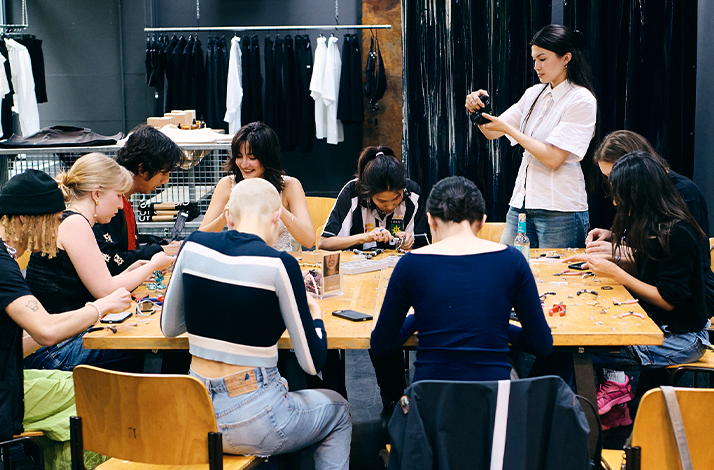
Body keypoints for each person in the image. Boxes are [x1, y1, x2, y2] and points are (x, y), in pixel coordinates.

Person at [162, 178, 351, 468]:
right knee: (339, 411)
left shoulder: (192, 247)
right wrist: (314, 313)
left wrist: (216, 308)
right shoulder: (279, 264)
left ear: (228, 216)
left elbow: (169, 327)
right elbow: (313, 363)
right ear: (278, 217)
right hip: (256, 419)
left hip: (197, 416)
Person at [564, 152, 711, 428]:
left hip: (684, 338)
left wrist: (616, 272)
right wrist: (602, 260)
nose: (617, 202)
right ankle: (611, 407)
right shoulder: (648, 224)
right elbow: (645, 269)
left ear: (639, 193)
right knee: (587, 344)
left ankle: (579, 424)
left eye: (620, 194)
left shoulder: (677, 232)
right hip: (657, 326)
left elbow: (668, 299)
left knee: (581, 352)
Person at [0, 169, 131, 467]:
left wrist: (77, 322)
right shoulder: (3, 267)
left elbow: (16, 343)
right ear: (24, 219)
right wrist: (100, 308)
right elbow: (46, 331)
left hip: (11, 376)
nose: (59, 229)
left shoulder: (5, 260)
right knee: (90, 393)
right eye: (55, 221)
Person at [371, 176, 553, 383]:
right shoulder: (512, 260)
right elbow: (541, 344)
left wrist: (419, 318)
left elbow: (381, 346)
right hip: (496, 406)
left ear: (430, 220)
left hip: (431, 405)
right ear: (482, 221)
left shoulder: (410, 264)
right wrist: (494, 325)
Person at [24, 153, 175, 371]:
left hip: (56, 343)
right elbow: (106, 292)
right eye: (118, 195)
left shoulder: (71, 219)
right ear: (96, 194)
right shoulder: (75, 223)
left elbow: (100, 284)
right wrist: (153, 264)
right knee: (161, 351)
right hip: (53, 352)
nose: (121, 206)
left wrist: (131, 271)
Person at [465, 24, 597, 248]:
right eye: (534, 59)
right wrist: (476, 112)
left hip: (561, 210)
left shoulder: (581, 99)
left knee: (556, 280)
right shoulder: (534, 93)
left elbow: (554, 158)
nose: (536, 66)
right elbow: (491, 131)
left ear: (566, 58)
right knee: (509, 271)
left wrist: (509, 129)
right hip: (521, 204)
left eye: (543, 59)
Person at [199, 122, 315, 250]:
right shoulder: (227, 185)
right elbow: (200, 240)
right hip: (239, 262)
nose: (244, 164)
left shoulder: (290, 185)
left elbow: (309, 241)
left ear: (267, 157)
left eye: (252, 157)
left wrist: (278, 207)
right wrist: (224, 216)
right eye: (239, 156)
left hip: (277, 263)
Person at [93, 124, 185, 274]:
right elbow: (111, 260)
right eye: (163, 173)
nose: (166, 180)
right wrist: (158, 251)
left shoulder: (124, 198)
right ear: (142, 169)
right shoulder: (108, 202)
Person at [318, 146, 430, 251]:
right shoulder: (352, 192)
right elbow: (324, 243)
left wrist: (409, 241)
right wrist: (366, 237)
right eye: (382, 201)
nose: (390, 206)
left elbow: (424, 246)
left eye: (397, 198)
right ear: (368, 193)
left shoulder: (413, 194)